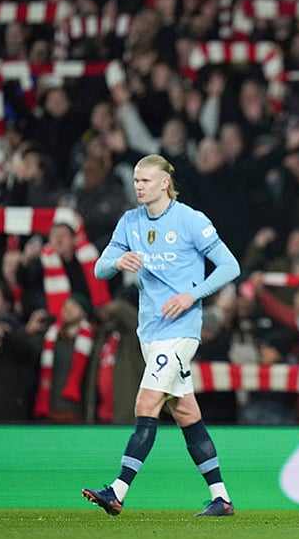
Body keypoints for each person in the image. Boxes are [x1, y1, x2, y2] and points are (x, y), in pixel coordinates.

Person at [81, 154, 240, 517]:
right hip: (149, 330)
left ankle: (117, 491)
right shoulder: (130, 222)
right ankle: (222, 498)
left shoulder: (190, 220)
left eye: (146, 180)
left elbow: (231, 266)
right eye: (136, 180)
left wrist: (191, 295)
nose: (139, 186)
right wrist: (118, 261)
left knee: (145, 405)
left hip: (181, 331)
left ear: (165, 183)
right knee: (186, 413)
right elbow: (100, 267)